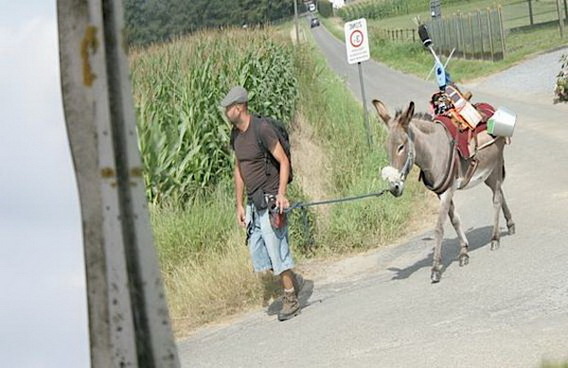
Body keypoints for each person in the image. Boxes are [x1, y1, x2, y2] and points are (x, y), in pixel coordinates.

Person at [221, 85, 302, 321]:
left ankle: (290, 298)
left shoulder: (262, 129)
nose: (226, 112)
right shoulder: (236, 134)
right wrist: (238, 204)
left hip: (270, 200)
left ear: (239, 107)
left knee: (277, 251)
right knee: (260, 255)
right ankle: (294, 282)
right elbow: (239, 169)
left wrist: (282, 194)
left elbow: (283, 161)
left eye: (228, 108)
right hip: (253, 203)